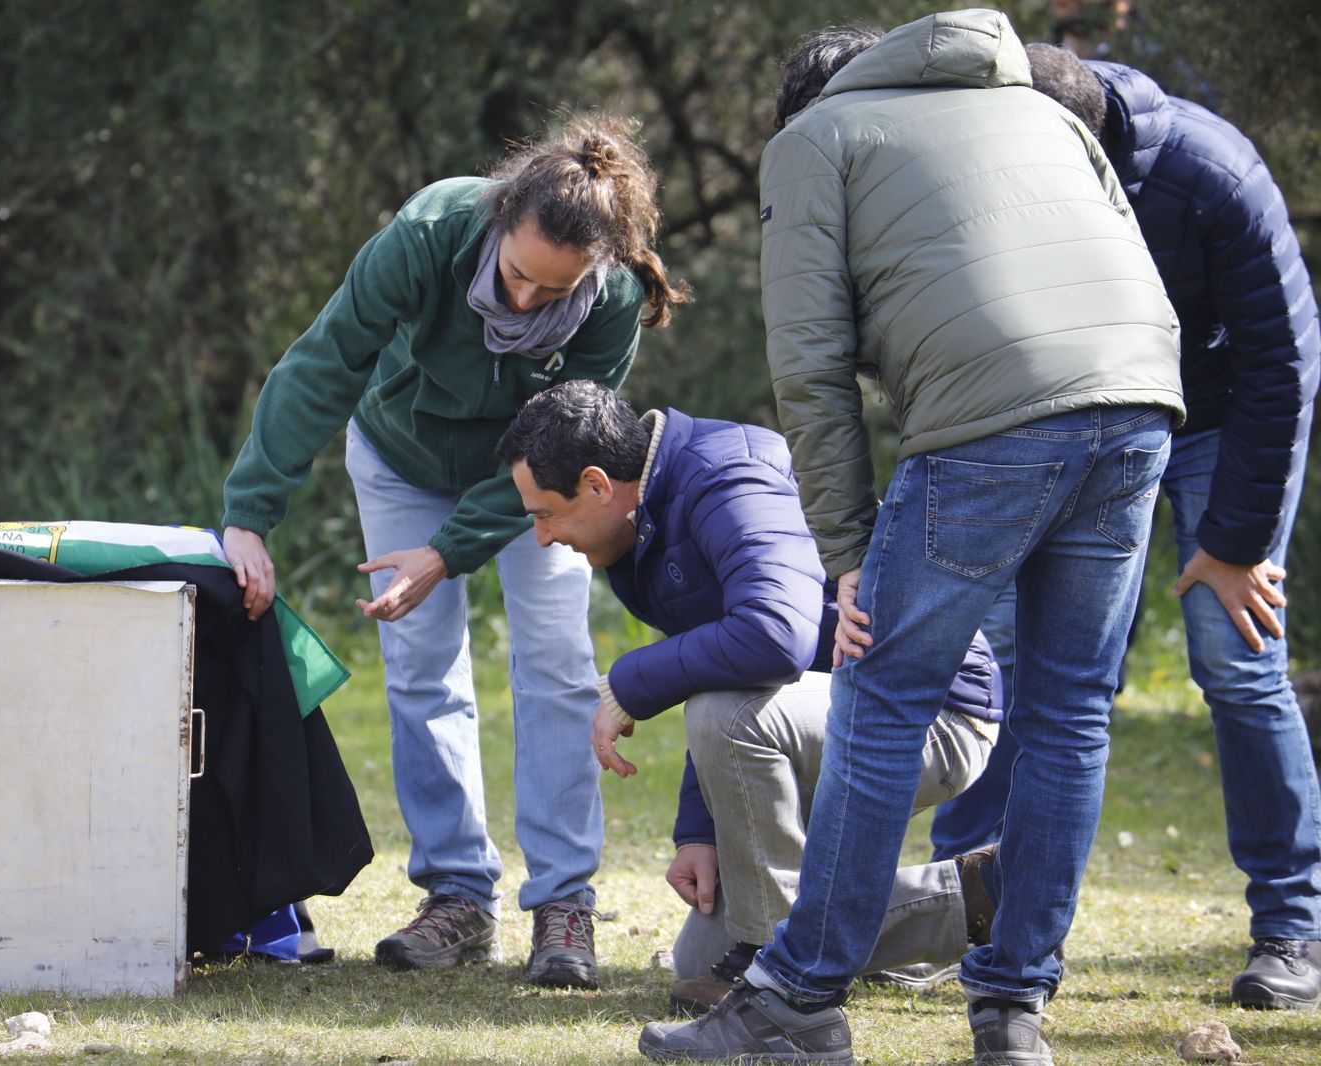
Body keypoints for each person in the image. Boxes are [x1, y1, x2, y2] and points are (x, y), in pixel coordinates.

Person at [637, 11, 1183, 1065]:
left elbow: (807, 366)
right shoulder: (1032, 107)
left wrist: (843, 552)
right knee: (1068, 713)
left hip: (995, 414)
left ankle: (795, 999)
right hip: (1141, 394)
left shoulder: (814, 142)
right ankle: (1013, 1008)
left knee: (881, 702)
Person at [219, 116, 687, 989]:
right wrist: (250, 511)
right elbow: (325, 364)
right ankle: (459, 898)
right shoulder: (431, 233)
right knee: (420, 665)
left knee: (554, 659)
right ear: (499, 224)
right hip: (401, 457)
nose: (524, 304)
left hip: (531, 482)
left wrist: (446, 551)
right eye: (516, 276)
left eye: (552, 296)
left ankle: (563, 903)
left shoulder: (614, 298)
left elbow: (556, 450)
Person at [941, 42, 1318, 1012]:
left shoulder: (1212, 173)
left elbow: (1284, 358)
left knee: (1235, 659)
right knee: (1012, 656)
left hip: (1217, 415)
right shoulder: (1006, 161)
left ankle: (1293, 923)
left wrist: (1232, 543)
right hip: (1080, 416)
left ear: (1085, 144)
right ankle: (963, 902)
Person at [495, 380, 1005, 1015]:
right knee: (698, 961)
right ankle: (980, 900)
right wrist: (700, 832)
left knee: (721, 721)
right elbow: (726, 668)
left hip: (929, 712)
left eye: (544, 514)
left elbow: (775, 636)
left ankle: (779, 981)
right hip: (834, 712)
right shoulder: (640, 523)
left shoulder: (726, 476)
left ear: (598, 485)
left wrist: (626, 683)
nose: (542, 537)